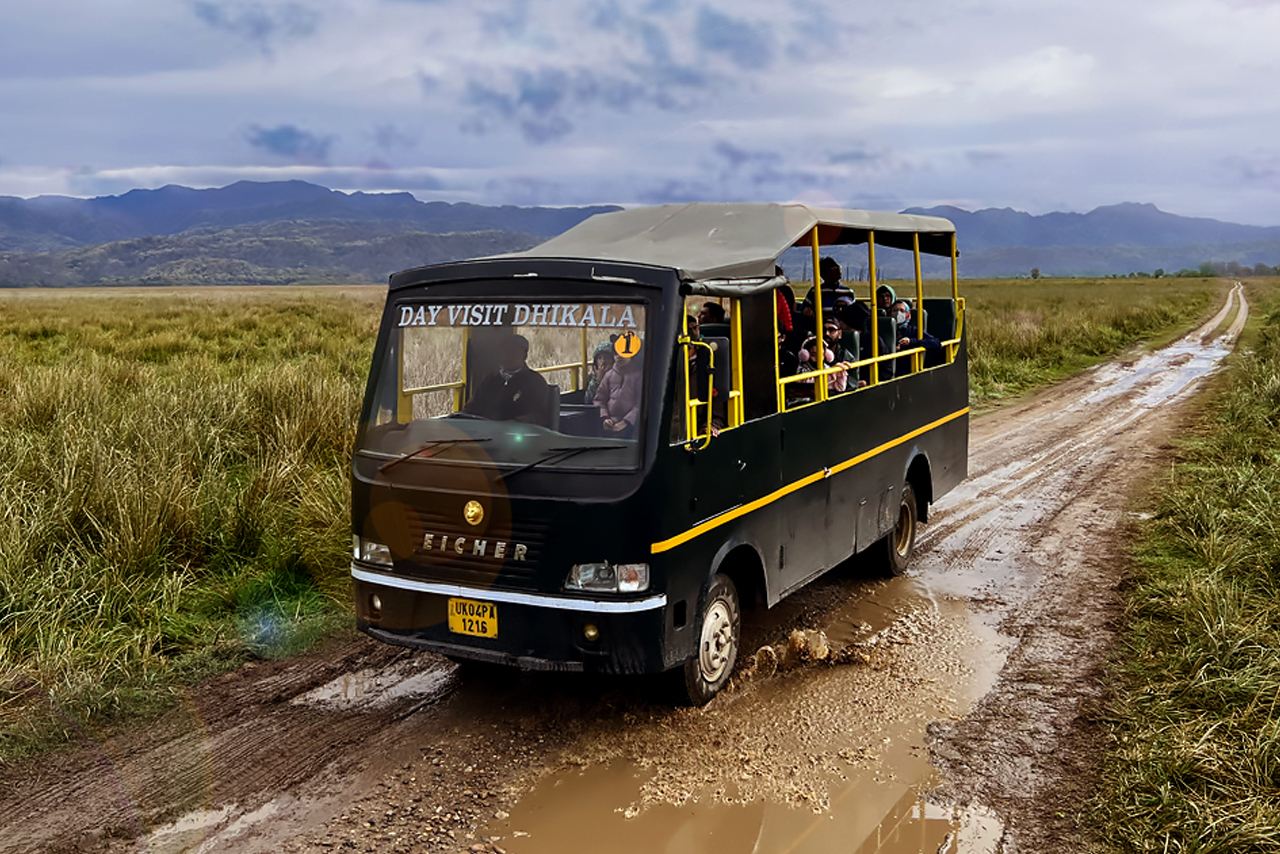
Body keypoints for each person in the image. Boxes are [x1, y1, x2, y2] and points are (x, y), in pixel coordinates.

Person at [463, 334, 550, 424]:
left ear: (524, 355)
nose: (507, 356)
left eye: (512, 352)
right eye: (504, 351)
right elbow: (472, 407)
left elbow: (537, 416)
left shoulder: (534, 382)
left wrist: (510, 424)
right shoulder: (490, 379)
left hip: (515, 433)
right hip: (484, 430)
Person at [797, 317, 855, 394]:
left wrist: (840, 373)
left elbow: (847, 387)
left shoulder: (847, 357)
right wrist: (832, 373)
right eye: (823, 330)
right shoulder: (803, 366)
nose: (827, 333)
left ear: (840, 334)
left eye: (832, 330)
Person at [594, 349, 643, 438]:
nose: (619, 356)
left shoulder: (639, 376)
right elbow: (600, 399)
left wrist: (626, 422)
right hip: (610, 423)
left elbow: (641, 403)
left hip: (633, 425)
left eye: (624, 353)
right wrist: (605, 418)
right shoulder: (609, 375)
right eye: (616, 353)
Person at [892, 300, 944, 370]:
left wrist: (911, 342)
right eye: (895, 310)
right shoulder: (886, 330)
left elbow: (936, 342)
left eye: (902, 311)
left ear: (908, 314)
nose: (898, 313)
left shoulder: (913, 330)